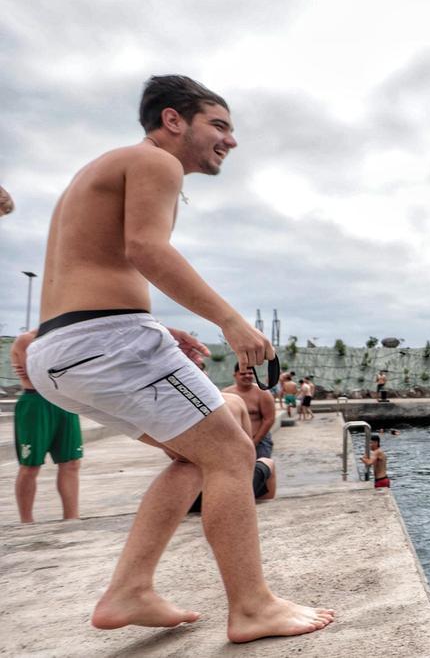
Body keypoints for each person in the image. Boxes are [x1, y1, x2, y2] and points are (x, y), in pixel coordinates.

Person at [22, 75, 332, 642]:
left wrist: (159, 327)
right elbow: (146, 248)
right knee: (234, 454)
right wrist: (230, 322)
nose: (230, 140)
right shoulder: (154, 162)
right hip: (106, 339)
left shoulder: (99, 170)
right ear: (172, 121)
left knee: (196, 458)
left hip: (60, 349)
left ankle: (129, 590)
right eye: (219, 125)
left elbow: (97, 262)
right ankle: (252, 606)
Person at [10, 331, 83, 523]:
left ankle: (72, 518)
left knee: (71, 463)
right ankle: (26, 522)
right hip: (36, 402)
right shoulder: (27, 339)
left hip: (65, 401)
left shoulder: (68, 336)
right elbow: (40, 376)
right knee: (30, 465)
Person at [189, 393, 276, 513]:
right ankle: (262, 508)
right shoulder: (234, 399)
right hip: (228, 492)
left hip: (189, 496)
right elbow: (246, 451)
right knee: (268, 462)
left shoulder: (174, 407)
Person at [223, 363, 276, 458]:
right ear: (235, 375)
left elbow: (269, 419)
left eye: (250, 373)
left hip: (259, 440)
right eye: (243, 374)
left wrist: (254, 442)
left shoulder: (263, 393)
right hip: (234, 441)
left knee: (260, 469)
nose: (247, 376)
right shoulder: (226, 393)